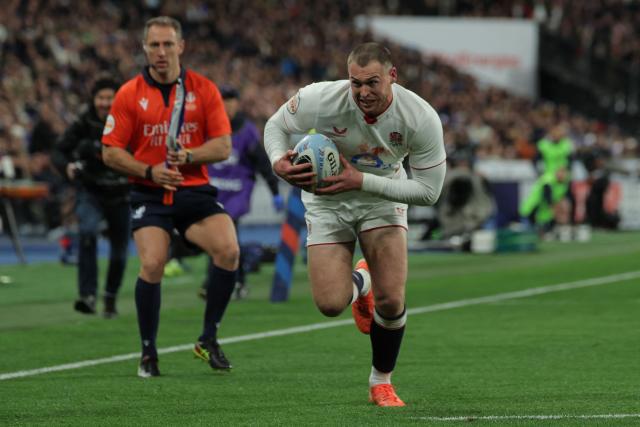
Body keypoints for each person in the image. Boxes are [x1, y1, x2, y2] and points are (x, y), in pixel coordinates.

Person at [264, 42, 446, 407]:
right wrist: (276, 161)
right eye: (355, 83)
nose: (363, 92)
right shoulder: (321, 99)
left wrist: (360, 181)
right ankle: (361, 283)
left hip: (381, 196)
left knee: (392, 300)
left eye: (372, 83)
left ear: (392, 77)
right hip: (327, 200)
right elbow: (276, 126)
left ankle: (381, 381)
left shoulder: (420, 117)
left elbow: (429, 192)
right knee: (331, 304)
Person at [101, 16, 239, 378]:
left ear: (181, 46)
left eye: (167, 44)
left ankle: (208, 338)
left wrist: (189, 156)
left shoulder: (203, 89)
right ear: (145, 49)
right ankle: (148, 351)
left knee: (229, 251)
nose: (160, 52)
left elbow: (224, 146)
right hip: (149, 192)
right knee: (152, 264)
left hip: (194, 192)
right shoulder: (130, 93)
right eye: (153, 45)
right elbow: (110, 152)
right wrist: (149, 171)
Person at [52, 76, 130, 318]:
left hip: (122, 193)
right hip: (92, 191)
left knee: (119, 251)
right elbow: (59, 151)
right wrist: (67, 167)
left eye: (110, 98)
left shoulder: (131, 121)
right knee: (86, 233)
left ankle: (110, 297)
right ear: (94, 100)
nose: (105, 103)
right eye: (101, 98)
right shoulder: (83, 122)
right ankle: (87, 295)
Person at [199, 84, 284, 299]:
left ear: (237, 103)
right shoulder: (208, 128)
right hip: (214, 192)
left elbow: (262, 162)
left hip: (237, 194)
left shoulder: (246, 131)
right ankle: (235, 281)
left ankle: (215, 282)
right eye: (223, 100)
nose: (227, 105)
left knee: (223, 236)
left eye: (230, 100)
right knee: (221, 240)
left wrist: (274, 190)